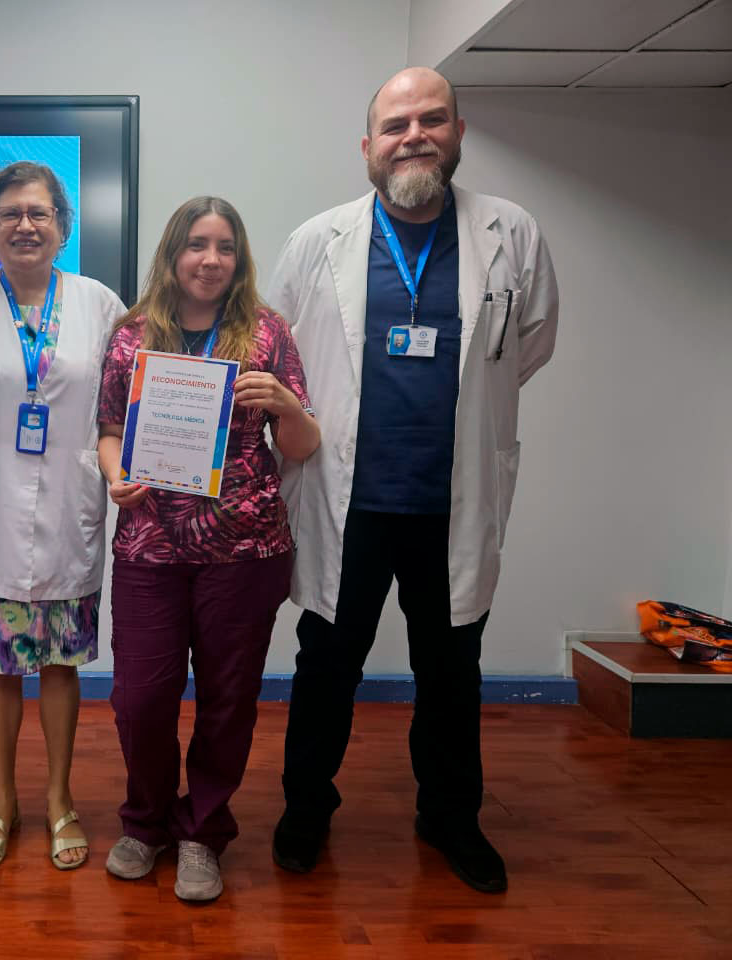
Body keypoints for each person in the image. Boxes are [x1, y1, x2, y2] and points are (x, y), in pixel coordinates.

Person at [266, 67, 559, 893]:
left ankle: (451, 816)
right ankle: (307, 807)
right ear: (369, 146)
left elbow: (529, 343)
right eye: (396, 125)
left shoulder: (510, 232)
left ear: (458, 133)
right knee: (327, 664)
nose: (414, 137)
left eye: (432, 120)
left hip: (451, 499)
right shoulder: (318, 240)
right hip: (347, 499)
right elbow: (279, 351)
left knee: (452, 669)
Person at [97, 196, 320, 902]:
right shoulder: (132, 337)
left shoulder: (268, 335)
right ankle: (146, 822)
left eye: (225, 246)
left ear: (239, 258)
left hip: (246, 552)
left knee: (228, 701)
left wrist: (286, 404)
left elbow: (303, 446)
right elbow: (109, 429)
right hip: (149, 548)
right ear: (173, 253)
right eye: (197, 244)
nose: (211, 259)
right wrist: (115, 475)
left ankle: (202, 831)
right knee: (140, 699)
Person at [0, 161, 126, 870]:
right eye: (9, 213)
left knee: (62, 663)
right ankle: (2, 799)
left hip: (70, 506)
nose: (24, 225)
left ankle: (60, 799)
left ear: (63, 227)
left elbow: (123, 405)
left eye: (39, 212)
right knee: (0, 663)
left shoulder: (101, 305)